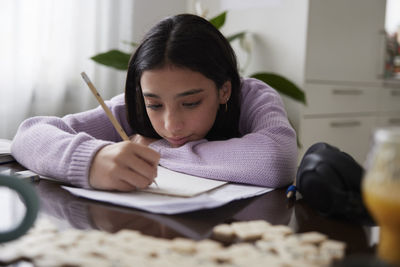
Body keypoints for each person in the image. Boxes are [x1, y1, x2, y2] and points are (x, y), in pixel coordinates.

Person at [11, 14, 297, 192]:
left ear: (224, 90)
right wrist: (92, 160)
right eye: (155, 105)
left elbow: (275, 160)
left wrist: (151, 148)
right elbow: (28, 135)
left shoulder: (252, 96)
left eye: (191, 103)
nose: (171, 125)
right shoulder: (133, 106)